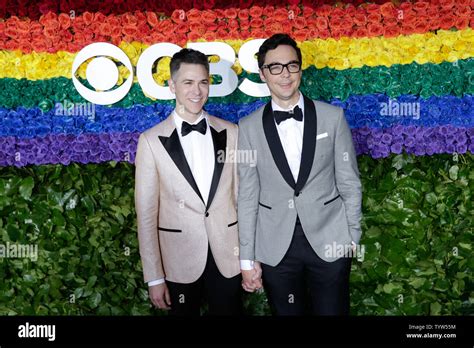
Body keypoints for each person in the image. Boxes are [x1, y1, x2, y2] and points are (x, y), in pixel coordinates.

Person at [238, 34, 362, 315]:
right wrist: (247, 258)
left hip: (330, 239)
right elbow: (247, 196)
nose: (285, 74)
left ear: (300, 70)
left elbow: (349, 182)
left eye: (291, 65)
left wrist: (351, 236)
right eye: (275, 67)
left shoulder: (333, 117)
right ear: (263, 74)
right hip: (275, 246)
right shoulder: (247, 128)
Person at [135, 48, 242, 315]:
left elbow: (242, 199)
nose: (197, 91)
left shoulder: (232, 132)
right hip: (177, 260)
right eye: (188, 82)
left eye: (203, 82)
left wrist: (250, 258)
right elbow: (146, 214)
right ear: (172, 86)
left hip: (228, 256)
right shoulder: (150, 141)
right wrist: (155, 277)